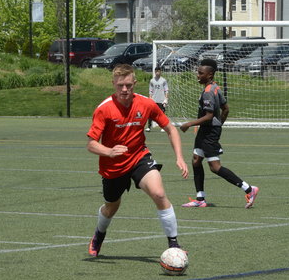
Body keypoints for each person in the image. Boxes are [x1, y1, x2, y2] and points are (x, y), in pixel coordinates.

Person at [86, 64, 189, 257]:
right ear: (113, 84)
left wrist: (179, 157)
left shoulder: (146, 104)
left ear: (135, 83)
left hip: (139, 157)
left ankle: (174, 245)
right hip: (113, 167)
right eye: (120, 85)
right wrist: (109, 152)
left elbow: (170, 129)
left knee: (159, 194)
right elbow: (91, 144)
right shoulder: (104, 109)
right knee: (111, 207)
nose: (124, 89)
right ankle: (99, 234)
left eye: (128, 85)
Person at [179, 58, 259, 209]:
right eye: (198, 72)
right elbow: (226, 109)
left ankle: (249, 189)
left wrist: (189, 124)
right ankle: (200, 199)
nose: (197, 75)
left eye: (200, 73)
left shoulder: (209, 92)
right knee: (196, 160)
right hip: (207, 130)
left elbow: (209, 116)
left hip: (209, 132)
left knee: (215, 167)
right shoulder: (215, 87)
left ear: (210, 75)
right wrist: (219, 124)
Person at [147, 67, 169, 131]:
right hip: (154, 100)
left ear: (160, 72)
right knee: (150, 113)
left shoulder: (163, 80)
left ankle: (163, 127)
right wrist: (150, 98)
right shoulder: (152, 80)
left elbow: (166, 90)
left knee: (162, 114)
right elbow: (150, 90)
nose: (157, 72)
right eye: (156, 71)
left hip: (161, 100)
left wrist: (166, 99)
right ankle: (149, 127)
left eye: (158, 71)